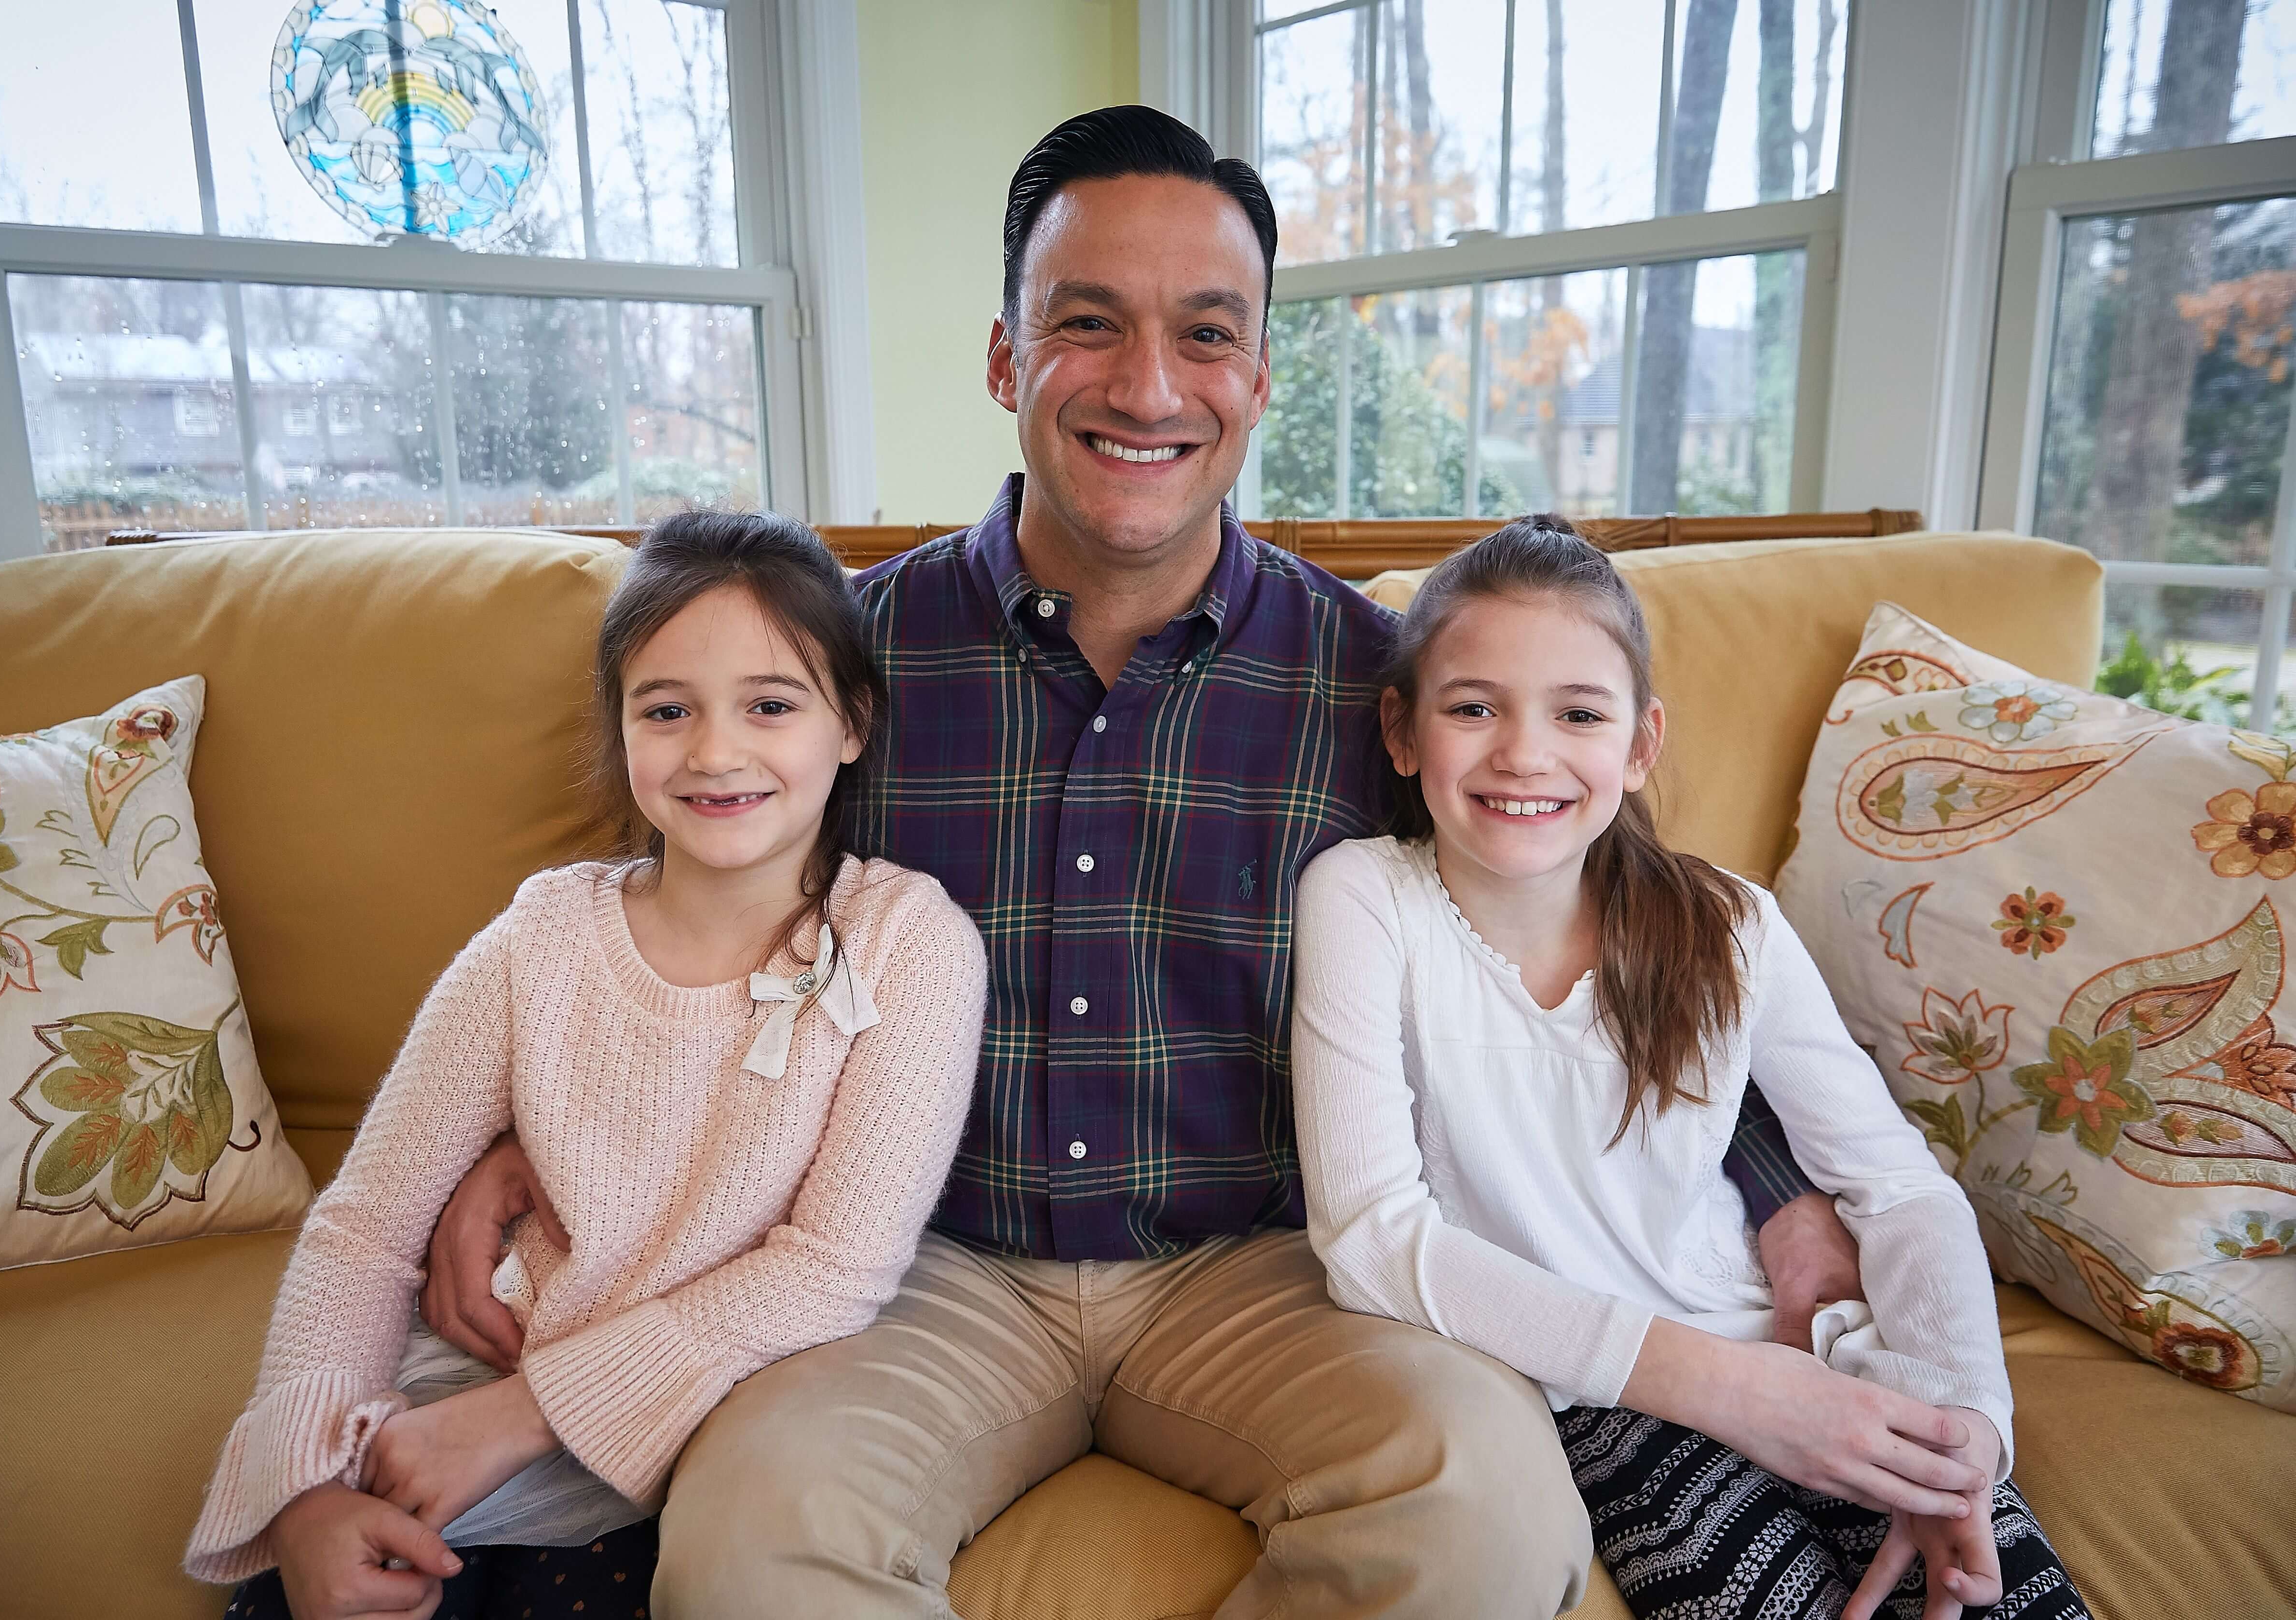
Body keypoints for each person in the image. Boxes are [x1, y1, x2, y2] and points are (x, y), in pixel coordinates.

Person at [422, 107, 1868, 1619]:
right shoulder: (826, 668)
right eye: (1087, 325)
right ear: (1004, 358)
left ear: (1258, 377)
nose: (1150, 386)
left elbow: (1605, 929)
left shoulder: (1387, 690)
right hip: (919, 1274)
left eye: (1206, 335)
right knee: (745, 1551)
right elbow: (652, 929)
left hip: (1274, 1271)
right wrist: (525, 1132)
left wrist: (1774, 1187)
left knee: (1491, 1517)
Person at [184, 513, 987, 1620]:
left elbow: (834, 1268)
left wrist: (521, 1417)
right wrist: (306, 1491)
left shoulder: (909, 941)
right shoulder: (541, 940)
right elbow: (366, 1226)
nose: (714, 751)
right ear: (621, 731)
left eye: (770, 704)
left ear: (851, 723)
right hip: (453, 1417)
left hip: (678, 1443)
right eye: (667, 710)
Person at [1291, 517, 2089, 1620]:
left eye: (1578, 713)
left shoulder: (1730, 924)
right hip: (1592, 1401)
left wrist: (1968, 1429)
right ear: (1403, 730)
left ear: (1640, 743)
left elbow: (1897, 1187)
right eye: (1474, 706)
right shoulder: (1365, 898)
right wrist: (1738, 1395)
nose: (1525, 753)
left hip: (1798, 1351)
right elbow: (1373, 1239)